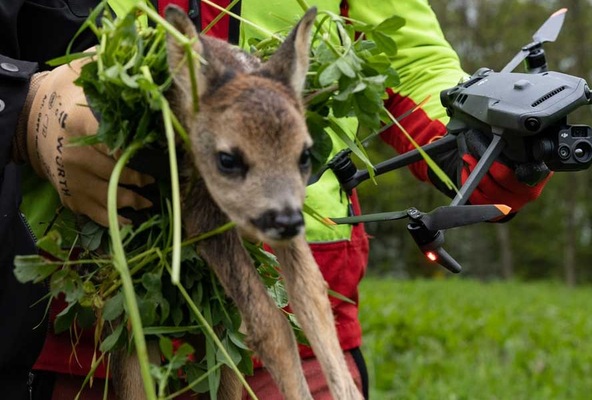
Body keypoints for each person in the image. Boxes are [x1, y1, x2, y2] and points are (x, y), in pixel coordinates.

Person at [0, 0, 552, 398]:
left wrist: (492, 127)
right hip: (80, 330)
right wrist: (21, 108)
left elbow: (411, 67)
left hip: (304, 344)